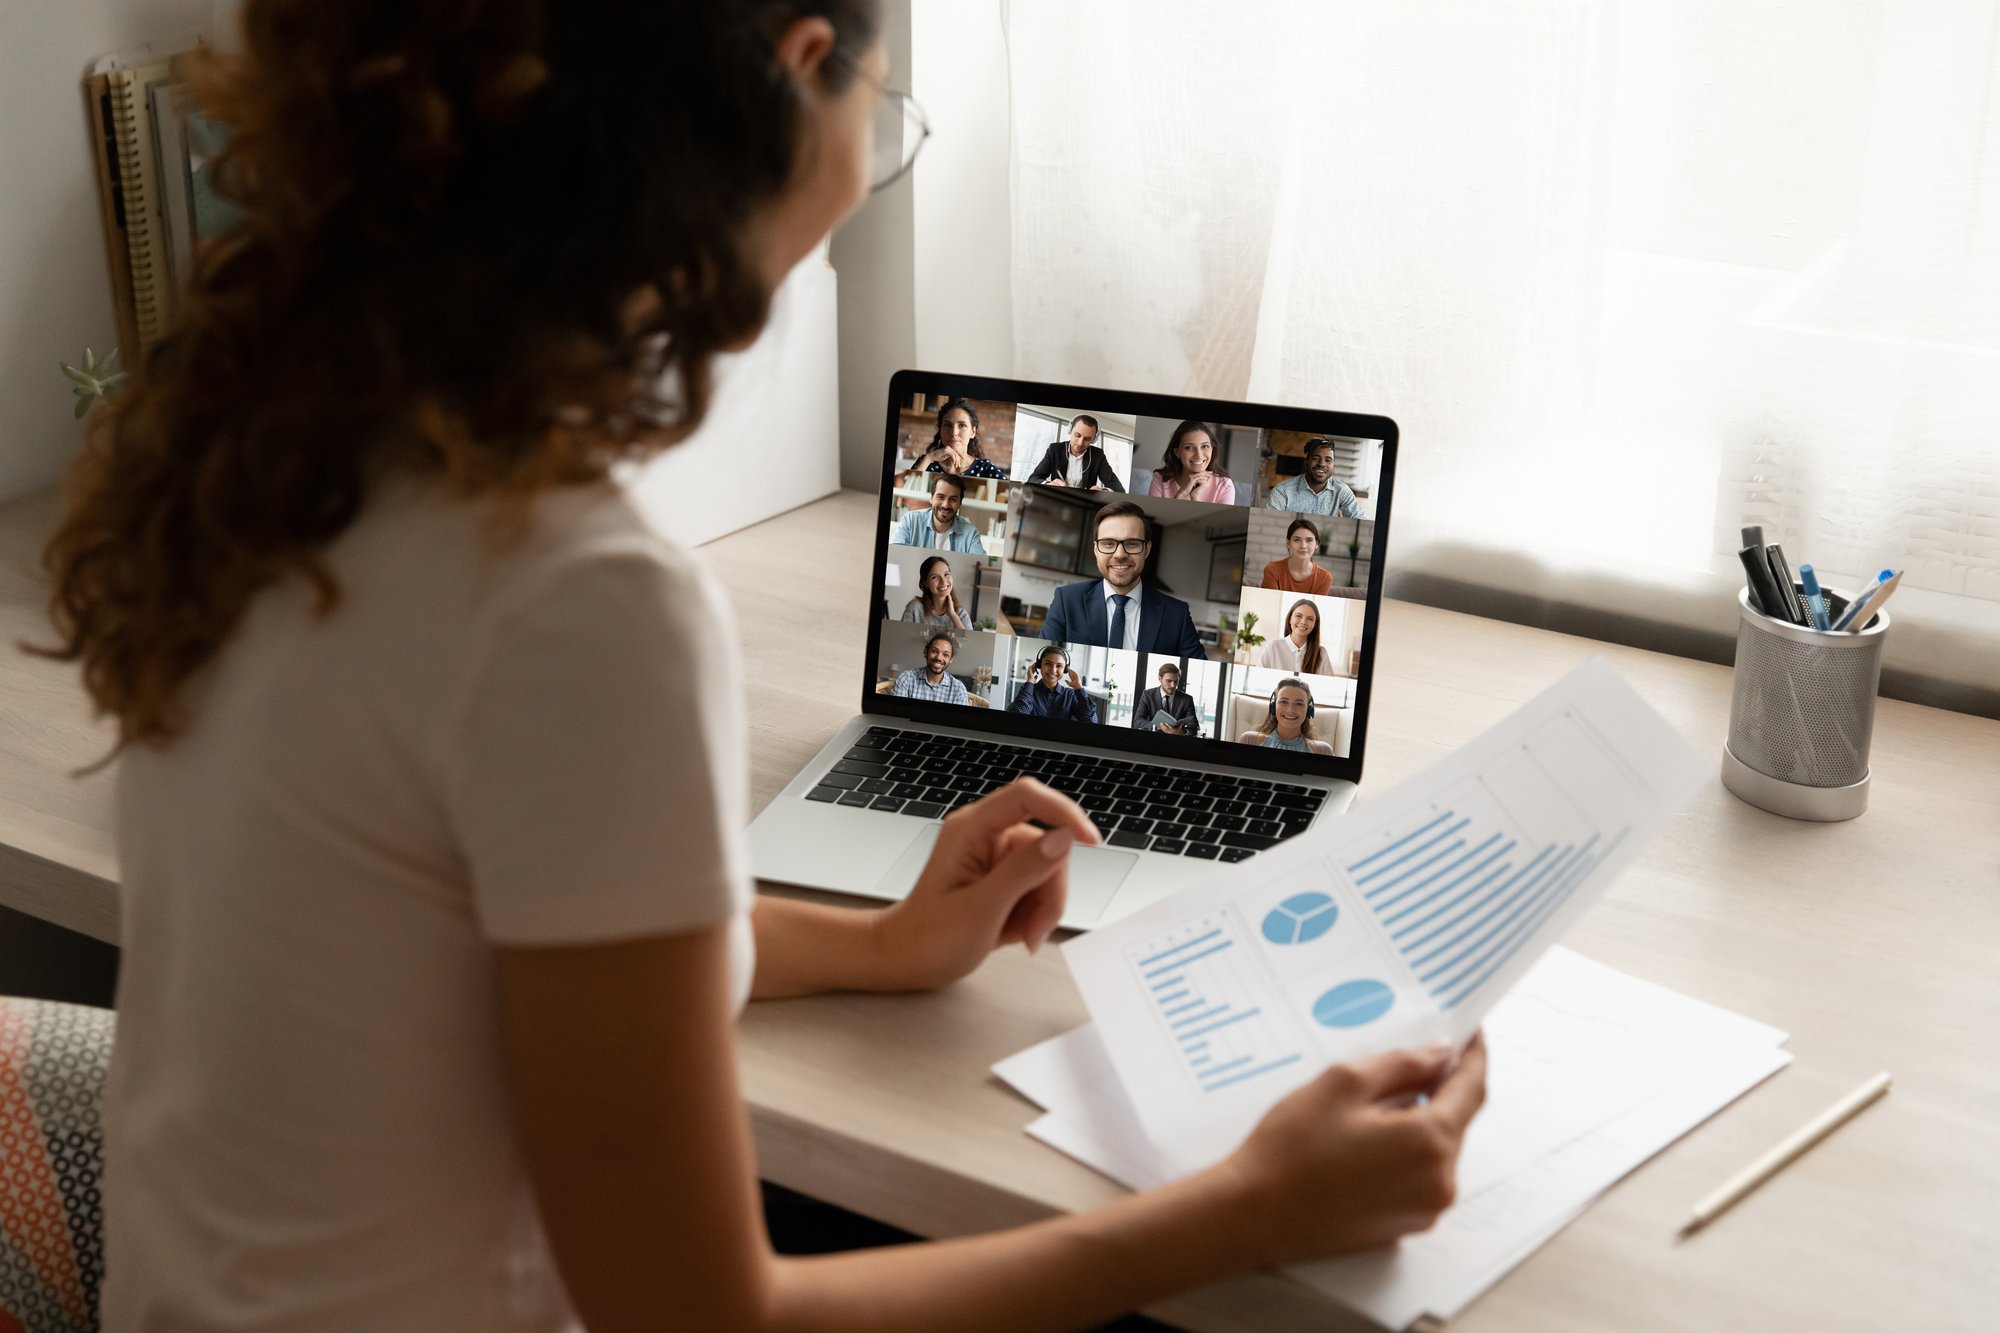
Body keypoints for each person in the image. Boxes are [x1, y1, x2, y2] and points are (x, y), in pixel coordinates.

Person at [47, 2, 1483, 1329]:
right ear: (797, 70)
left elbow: (499, 942)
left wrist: (882, 946)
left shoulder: (274, 455)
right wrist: (1248, 1208)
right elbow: (703, 1316)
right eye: (883, 106)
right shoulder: (576, 601)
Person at [1039, 500, 1208, 658]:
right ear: (1096, 549)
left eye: (1132, 543)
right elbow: (1047, 656)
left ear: (1147, 550)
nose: (1120, 555)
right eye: (1108, 543)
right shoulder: (1067, 600)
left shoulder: (1177, 614)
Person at [1265, 437, 1366, 517]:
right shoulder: (1282, 491)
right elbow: (1269, 521)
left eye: (1328, 460)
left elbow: (1359, 517)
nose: (1321, 464)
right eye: (1315, 458)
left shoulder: (1341, 491)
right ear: (1306, 463)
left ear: (1333, 467)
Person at [890, 471, 986, 552]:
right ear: (931, 499)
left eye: (953, 499)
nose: (946, 505)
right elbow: (896, 555)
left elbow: (980, 564)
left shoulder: (971, 534)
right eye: (941, 497)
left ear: (959, 504)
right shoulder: (910, 520)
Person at [1237, 677, 1337, 755]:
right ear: (1273, 706)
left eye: (1299, 704)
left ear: (1308, 710)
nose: (1290, 710)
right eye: (1284, 702)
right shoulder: (1249, 740)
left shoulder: (1323, 750)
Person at [1147, 419, 1236, 504]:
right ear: (1177, 452)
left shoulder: (1225, 485)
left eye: (1204, 446)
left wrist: (1196, 497)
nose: (1199, 456)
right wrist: (1181, 494)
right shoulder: (1160, 479)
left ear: (1212, 449)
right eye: (1188, 447)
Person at [1023, 414, 1123, 490]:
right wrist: (1049, 484)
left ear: (1093, 440)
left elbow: (1118, 488)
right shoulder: (1055, 450)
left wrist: (1102, 491)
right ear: (1070, 430)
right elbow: (1033, 478)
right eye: (1077, 435)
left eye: (1087, 439)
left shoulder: (1098, 455)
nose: (1080, 443)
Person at [918, 397, 1008, 479]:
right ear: (940, 430)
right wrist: (930, 457)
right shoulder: (926, 461)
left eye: (962, 425)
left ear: (973, 432)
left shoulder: (986, 469)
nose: (953, 432)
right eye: (947, 425)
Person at [1008, 644, 1098, 723]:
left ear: (1065, 669)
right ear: (1039, 665)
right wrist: (1030, 682)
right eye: (1048, 664)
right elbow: (1016, 719)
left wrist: (1079, 688)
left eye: (1059, 666)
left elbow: (1091, 721)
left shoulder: (1070, 695)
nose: (1053, 670)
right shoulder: (1029, 690)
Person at [1259, 598, 1337, 674]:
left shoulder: (1321, 653)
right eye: (1298, 616)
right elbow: (1259, 676)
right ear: (1290, 619)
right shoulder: (1273, 646)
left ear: (1315, 624)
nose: (1303, 622)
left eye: (1310, 619)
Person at [1261, 517, 1335, 595]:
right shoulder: (1272, 570)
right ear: (1288, 543)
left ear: (1316, 544)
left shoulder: (1324, 577)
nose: (1303, 546)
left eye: (1309, 540)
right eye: (1297, 540)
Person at [889, 632, 969, 704]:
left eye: (945, 655)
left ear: (951, 659)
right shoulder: (906, 678)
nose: (939, 658)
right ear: (925, 652)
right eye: (934, 651)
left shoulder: (959, 689)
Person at [899, 555, 971, 629]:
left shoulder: (961, 614)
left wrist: (953, 615)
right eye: (934, 577)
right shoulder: (915, 608)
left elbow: (968, 637)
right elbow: (901, 634)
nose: (943, 581)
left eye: (946, 574)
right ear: (925, 583)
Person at [1132, 662, 1200, 735]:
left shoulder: (1187, 699)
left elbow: (1194, 726)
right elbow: (1137, 721)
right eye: (1169, 681)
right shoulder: (1148, 695)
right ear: (1160, 679)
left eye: (1176, 681)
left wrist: (1181, 732)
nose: (1173, 685)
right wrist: (1157, 727)